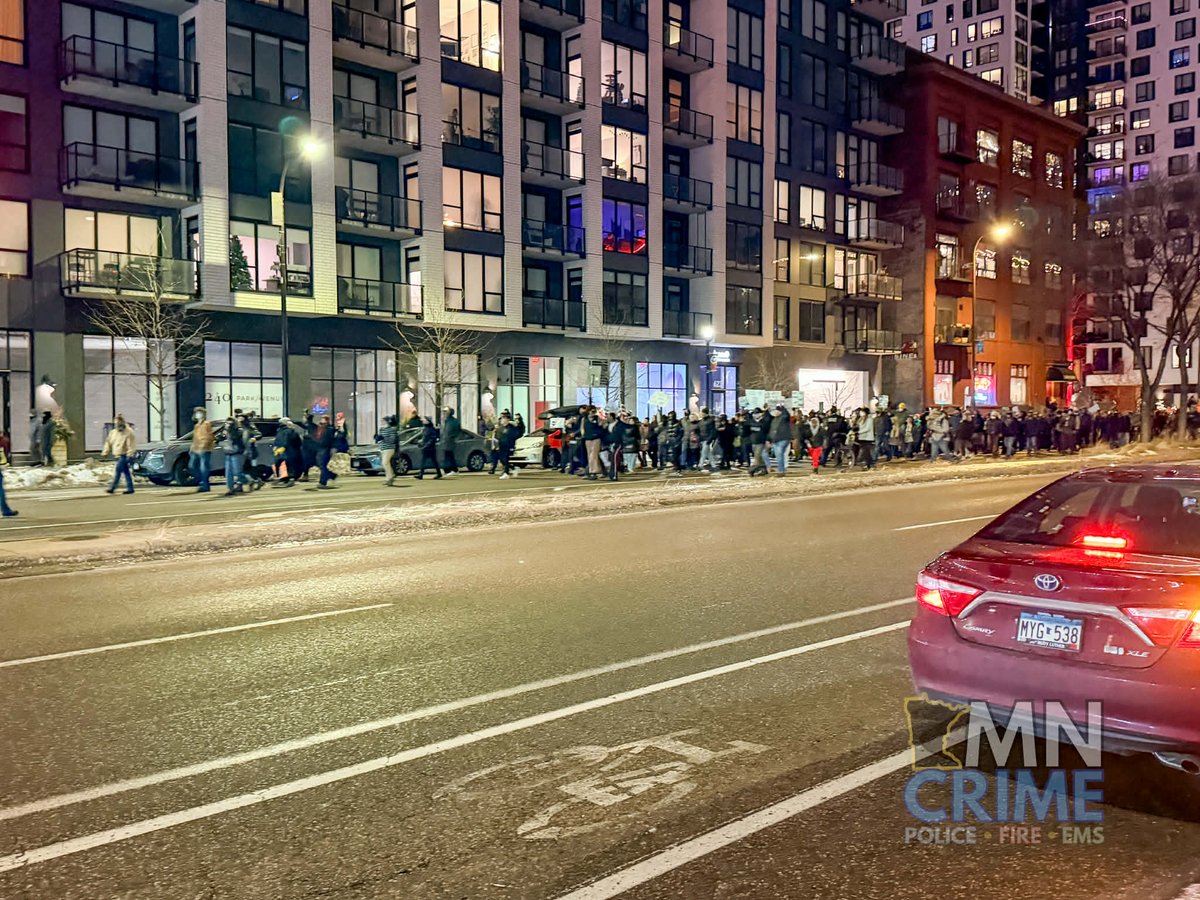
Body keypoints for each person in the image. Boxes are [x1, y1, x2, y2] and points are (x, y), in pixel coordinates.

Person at [102, 415, 137, 495]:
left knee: (118, 470)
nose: (117, 424)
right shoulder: (113, 432)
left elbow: (131, 445)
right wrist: (105, 452)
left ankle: (113, 487)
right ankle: (130, 488)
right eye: (116, 423)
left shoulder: (128, 432)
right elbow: (108, 443)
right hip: (118, 455)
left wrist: (130, 454)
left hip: (124, 455)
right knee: (126, 472)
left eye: (119, 422)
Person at [189, 407, 214, 492]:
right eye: (197, 413)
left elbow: (209, 437)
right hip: (196, 449)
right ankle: (201, 481)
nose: (198, 414)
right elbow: (195, 438)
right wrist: (192, 448)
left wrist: (203, 446)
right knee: (191, 466)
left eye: (200, 413)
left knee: (203, 467)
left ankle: (205, 485)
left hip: (205, 449)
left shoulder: (207, 424)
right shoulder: (196, 426)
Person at [221, 415, 247, 495]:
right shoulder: (225, 431)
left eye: (230, 423)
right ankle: (230, 489)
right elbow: (219, 439)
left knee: (237, 472)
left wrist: (230, 430)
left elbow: (236, 438)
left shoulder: (238, 430)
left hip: (237, 453)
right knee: (228, 473)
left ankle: (251, 480)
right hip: (228, 453)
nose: (228, 424)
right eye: (227, 423)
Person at [313, 414, 339, 488]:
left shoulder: (330, 429)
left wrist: (333, 448)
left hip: (326, 449)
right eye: (322, 419)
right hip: (319, 448)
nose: (322, 420)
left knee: (323, 465)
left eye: (324, 419)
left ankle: (322, 482)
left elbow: (333, 440)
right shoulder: (320, 428)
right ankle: (332, 475)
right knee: (319, 464)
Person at [375, 415, 400, 486]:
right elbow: (380, 439)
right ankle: (389, 477)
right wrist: (377, 439)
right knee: (386, 464)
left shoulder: (392, 429)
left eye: (383, 421)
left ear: (387, 421)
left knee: (385, 463)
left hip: (389, 448)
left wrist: (383, 438)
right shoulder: (382, 429)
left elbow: (392, 440)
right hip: (383, 448)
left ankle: (390, 477)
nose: (381, 422)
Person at [768, 405, 791, 476]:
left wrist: (782, 407)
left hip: (783, 439)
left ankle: (781, 471)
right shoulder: (774, 420)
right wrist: (769, 440)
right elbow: (771, 431)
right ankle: (781, 469)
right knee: (779, 456)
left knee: (779, 454)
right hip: (775, 440)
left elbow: (787, 415)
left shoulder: (783, 418)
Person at [582, 408, 604, 480]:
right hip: (588, 438)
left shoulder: (597, 418)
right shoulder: (584, 419)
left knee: (593, 455)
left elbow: (602, 425)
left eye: (594, 411)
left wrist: (600, 419)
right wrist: (584, 435)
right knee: (590, 455)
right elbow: (582, 428)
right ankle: (600, 470)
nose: (593, 413)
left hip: (596, 438)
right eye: (592, 411)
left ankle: (593, 472)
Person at [442, 408, 462, 475]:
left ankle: (452, 470)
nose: (444, 413)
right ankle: (450, 470)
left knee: (449, 456)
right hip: (447, 441)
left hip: (450, 441)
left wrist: (454, 437)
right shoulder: (447, 421)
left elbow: (458, 431)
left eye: (446, 412)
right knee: (448, 456)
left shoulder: (453, 421)